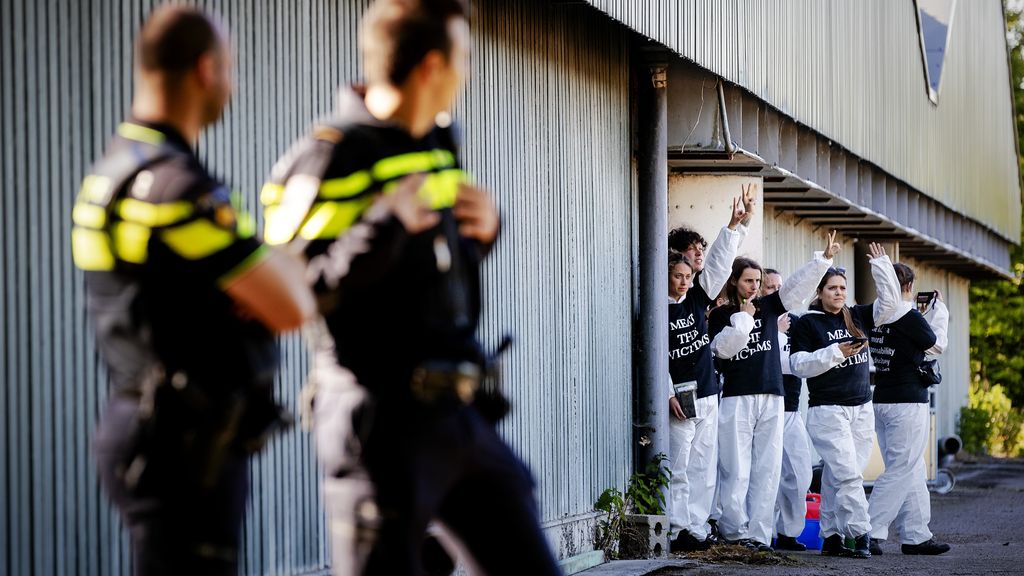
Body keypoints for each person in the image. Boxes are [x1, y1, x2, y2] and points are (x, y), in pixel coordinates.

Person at [261, 1, 560, 574]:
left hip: (458, 415)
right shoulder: (329, 155)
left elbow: (436, 262)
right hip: (380, 422)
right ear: (430, 66)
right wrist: (384, 222)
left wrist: (487, 229)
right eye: (464, 58)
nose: (468, 73)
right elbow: (297, 291)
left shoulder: (438, 142)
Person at [72, 5, 315, 574]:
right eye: (231, 67)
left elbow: (157, 291)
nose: (233, 81)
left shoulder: (112, 172)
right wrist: (288, 236)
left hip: (144, 426)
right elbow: (291, 305)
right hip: (183, 448)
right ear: (206, 70)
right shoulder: (178, 190)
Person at [707, 233, 838, 551]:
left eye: (757, 280)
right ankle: (734, 530)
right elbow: (724, 350)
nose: (753, 286)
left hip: (773, 396)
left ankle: (759, 534)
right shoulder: (722, 315)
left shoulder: (770, 307)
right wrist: (744, 320)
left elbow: (795, 287)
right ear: (734, 281)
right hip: (738, 396)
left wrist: (822, 260)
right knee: (736, 467)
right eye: (748, 280)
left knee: (767, 469)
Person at [788, 242, 902, 559]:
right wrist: (836, 353)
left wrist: (882, 267)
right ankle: (861, 533)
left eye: (842, 288)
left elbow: (891, 305)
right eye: (832, 288)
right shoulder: (808, 323)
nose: (838, 293)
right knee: (849, 474)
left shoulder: (857, 316)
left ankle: (832, 536)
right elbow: (799, 366)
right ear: (821, 291)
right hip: (827, 411)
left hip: (861, 409)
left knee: (841, 475)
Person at [666, 185, 754, 552]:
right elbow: (655, 357)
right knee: (679, 464)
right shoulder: (659, 309)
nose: (685, 281)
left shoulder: (699, 296)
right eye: (678, 276)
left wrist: (734, 226)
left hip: (706, 390)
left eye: (688, 276)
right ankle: (675, 527)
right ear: (666, 275)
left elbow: (718, 263)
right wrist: (668, 392)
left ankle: (698, 527)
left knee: (703, 464)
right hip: (680, 395)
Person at [867, 263, 951, 556]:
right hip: (908, 401)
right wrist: (940, 313)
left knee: (910, 467)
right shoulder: (910, 315)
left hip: (883, 398)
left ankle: (916, 535)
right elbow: (936, 344)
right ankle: (870, 530)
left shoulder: (874, 312)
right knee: (902, 468)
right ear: (909, 287)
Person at [762, 269, 813, 552]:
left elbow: (799, 362)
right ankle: (762, 532)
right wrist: (775, 334)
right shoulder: (757, 319)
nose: (775, 291)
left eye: (779, 287)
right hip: (761, 405)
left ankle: (789, 532)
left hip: (791, 407)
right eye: (770, 287)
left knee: (799, 472)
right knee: (764, 473)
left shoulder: (798, 323)